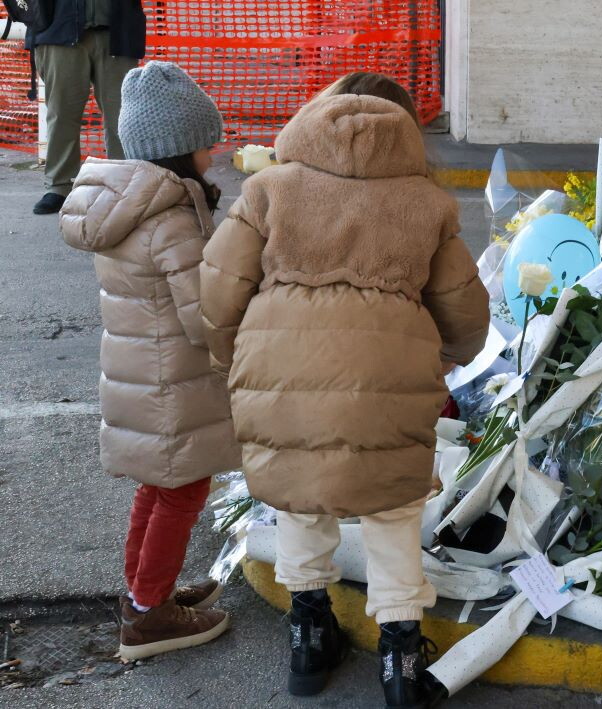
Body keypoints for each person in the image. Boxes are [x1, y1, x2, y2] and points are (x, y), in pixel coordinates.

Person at [200, 73, 489, 706]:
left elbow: (220, 288)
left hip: (278, 366)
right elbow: (466, 316)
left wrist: (237, 358)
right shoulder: (426, 204)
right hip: (391, 373)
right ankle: (402, 662)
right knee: (392, 510)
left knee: (302, 496)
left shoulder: (270, 189)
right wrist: (440, 359)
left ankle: (308, 635)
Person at [59, 61, 240, 660]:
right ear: (178, 148)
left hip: (142, 375)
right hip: (174, 382)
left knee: (157, 488)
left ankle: (141, 592)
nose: (215, 149)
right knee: (185, 493)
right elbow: (204, 316)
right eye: (205, 140)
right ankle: (150, 615)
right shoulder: (171, 220)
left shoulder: (125, 205)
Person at [27, 0, 146, 215]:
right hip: (57, 29)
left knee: (123, 115)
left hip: (117, 30)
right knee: (61, 113)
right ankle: (59, 186)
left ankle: (124, 183)